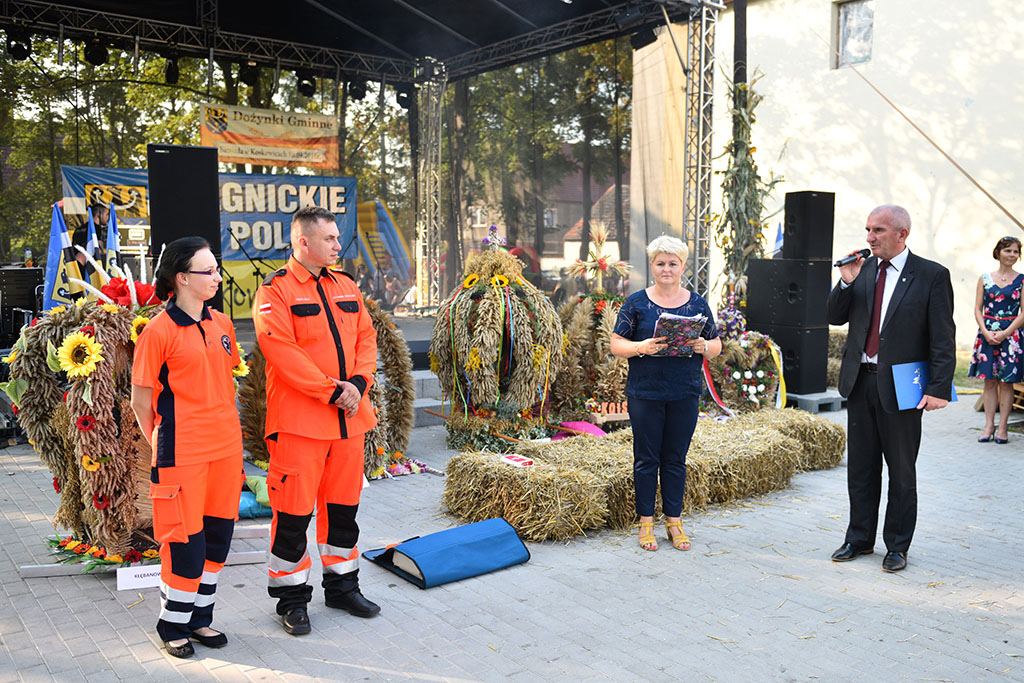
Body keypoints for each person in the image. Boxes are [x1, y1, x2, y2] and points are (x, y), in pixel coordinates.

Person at [253, 205, 380, 636]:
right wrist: (333, 391)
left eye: (336, 238)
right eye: (329, 239)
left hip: (349, 421)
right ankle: (291, 599)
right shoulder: (275, 291)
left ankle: (343, 588)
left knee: (344, 512)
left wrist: (358, 384)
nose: (337, 245)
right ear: (303, 242)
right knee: (292, 516)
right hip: (300, 425)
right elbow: (281, 353)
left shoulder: (346, 284)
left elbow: (367, 336)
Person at [130, 237, 244, 658]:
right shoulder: (157, 332)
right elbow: (141, 402)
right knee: (184, 542)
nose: (217, 276)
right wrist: (161, 444)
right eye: (208, 270)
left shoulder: (222, 324)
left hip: (227, 450)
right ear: (181, 278)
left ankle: (200, 620)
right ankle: (171, 624)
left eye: (216, 269)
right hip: (182, 454)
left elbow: (224, 384)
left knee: (217, 538)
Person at [827, 205, 955, 573]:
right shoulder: (862, 269)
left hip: (903, 386)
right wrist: (846, 281)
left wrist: (939, 387)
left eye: (878, 231)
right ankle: (858, 538)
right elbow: (834, 316)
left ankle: (897, 545)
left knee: (901, 469)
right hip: (860, 381)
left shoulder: (931, 275)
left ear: (902, 234)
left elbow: (943, 338)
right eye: (867, 229)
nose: (869, 238)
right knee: (861, 468)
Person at [610, 236, 722, 552]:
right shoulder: (635, 303)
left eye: (673, 263)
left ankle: (674, 521)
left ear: (683, 266)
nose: (667, 269)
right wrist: (640, 347)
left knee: (675, 459)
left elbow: (716, 345)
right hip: (645, 393)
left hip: (684, 392)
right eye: (661, 263)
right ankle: (646, 523)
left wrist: (704, 346)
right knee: (646, 459)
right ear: (652, 266)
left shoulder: (697, 304)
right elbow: (615, 344)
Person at [968, 235, 1024, 443]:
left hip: (1011, 337)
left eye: (1015, 251)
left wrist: (1005, 333)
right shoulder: (984, 279)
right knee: (989, 383)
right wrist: (985, 331)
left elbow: (1023, 313)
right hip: (987, 335)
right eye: (1008, 250)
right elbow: (977, 308)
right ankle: (988, 426)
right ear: (998, 252)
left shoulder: (1022, 280)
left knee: (1007, 383)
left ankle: (1002, 429)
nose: (1012, 254)